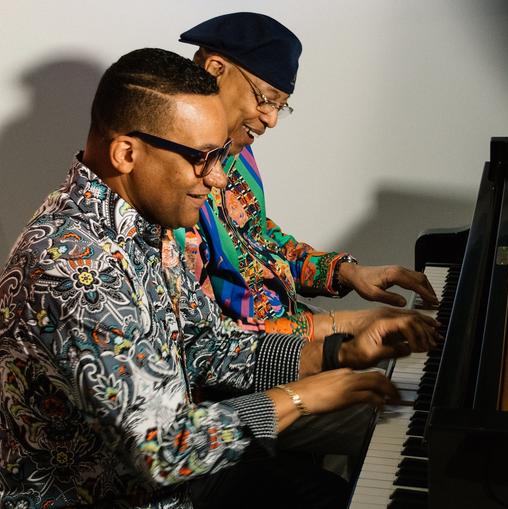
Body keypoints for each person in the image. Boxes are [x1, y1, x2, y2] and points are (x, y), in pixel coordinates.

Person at [0, 47, 438, 508]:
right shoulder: (70, 267)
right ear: (126, 153)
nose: (218, 179)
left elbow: (210, 343)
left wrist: (339, 350)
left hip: (179, 483)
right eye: (202, 158)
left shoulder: (147, 225)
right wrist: (298, 398)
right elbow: (160, 451)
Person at [175, 13, 440, 342]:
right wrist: (340, 328)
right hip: (254, 365)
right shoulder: (172, 176)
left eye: (280, 107)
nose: (271, 119)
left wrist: (346, 272)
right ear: (216, 69)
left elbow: (259, 243)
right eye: (266, 99)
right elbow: (209, 341)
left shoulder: (235, 152)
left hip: (289, 335)